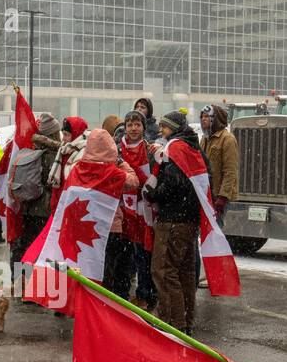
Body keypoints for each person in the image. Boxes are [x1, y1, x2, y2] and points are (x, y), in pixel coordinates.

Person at [143, 110, 203, 332]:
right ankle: (186, 321)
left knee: (164, 270)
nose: (161, 131)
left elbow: (173, 184)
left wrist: (153, 194)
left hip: (173, 220)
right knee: (185, 272)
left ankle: (172, 324)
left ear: (174, 128)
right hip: (190, 220)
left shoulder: (175, 149)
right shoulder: (194, 147)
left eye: (165, 127)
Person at [84, 129, 141, 298]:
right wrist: (120, 162)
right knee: (108, 269)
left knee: (91, 269)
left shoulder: (80, 168)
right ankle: (105, 306)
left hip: (87, 225)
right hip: (111, 226)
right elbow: (134, 181)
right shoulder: (113, 171)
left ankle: (90, 303)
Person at [10, 113, 60, 279]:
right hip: (44, 208)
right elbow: (52, 181)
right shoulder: (53, 155)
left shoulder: (32, 151)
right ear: (53, 133)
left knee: (25, 243)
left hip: (28, 205)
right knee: (38, 248)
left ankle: (18, 279)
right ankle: (33, 284)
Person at [118, 111, 157, 308]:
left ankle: (144, 293)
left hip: (143, 210)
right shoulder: (116, 149)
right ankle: (122, 293)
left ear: (143, 127)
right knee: (124, 255)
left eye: (137, 124)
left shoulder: (150, 150)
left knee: (143, 254)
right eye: (130, 124)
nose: (133, 128)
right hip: (123, 208)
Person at [200, 104, 239, 218]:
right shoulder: (204, 138)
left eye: (207, 116)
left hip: (218, 196)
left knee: (216, 231)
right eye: (202, 116)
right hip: (205, 194)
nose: (203, 119)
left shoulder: (228, 139)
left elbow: (230, 171)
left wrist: (222, 197)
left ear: (215, 119)